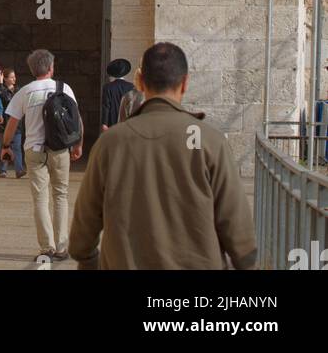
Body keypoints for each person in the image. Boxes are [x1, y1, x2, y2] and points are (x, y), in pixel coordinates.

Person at [70, 42, 257, 270]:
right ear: (186, 82)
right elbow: (236, 227)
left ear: (139, 81)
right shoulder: (210, 141)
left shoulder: (111, 143)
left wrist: (89, 261)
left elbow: (84, 226)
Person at [0, 49, 83, 265]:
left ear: (32, 69)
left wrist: (6, 145)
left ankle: (47, 246)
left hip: (34, 150)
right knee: (61, 195)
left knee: (40, 199)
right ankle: (62, 246)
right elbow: (76, 119)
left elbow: (12, 123)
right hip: (59, 149)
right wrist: (78, 144)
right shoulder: (64, 88)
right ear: (51, 67)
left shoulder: (25, 92)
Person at [0, 69, 26, 178]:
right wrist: (0, 84)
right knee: (4, 146)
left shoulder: (18, 89)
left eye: (14, 77)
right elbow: (4, 99)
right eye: (11, 77)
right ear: (5, 78)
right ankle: (3, 170)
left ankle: (19, 170)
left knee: (17, 147)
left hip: (16, 123)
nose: (14, 79)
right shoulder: (0, 89)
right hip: (4, 123)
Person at [100, 58, 135, 131]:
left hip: (112, 122)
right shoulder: (131, 86)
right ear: (125, 72)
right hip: (127, 121)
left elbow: (106, 106)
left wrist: (104, 123)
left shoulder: (108, 87)